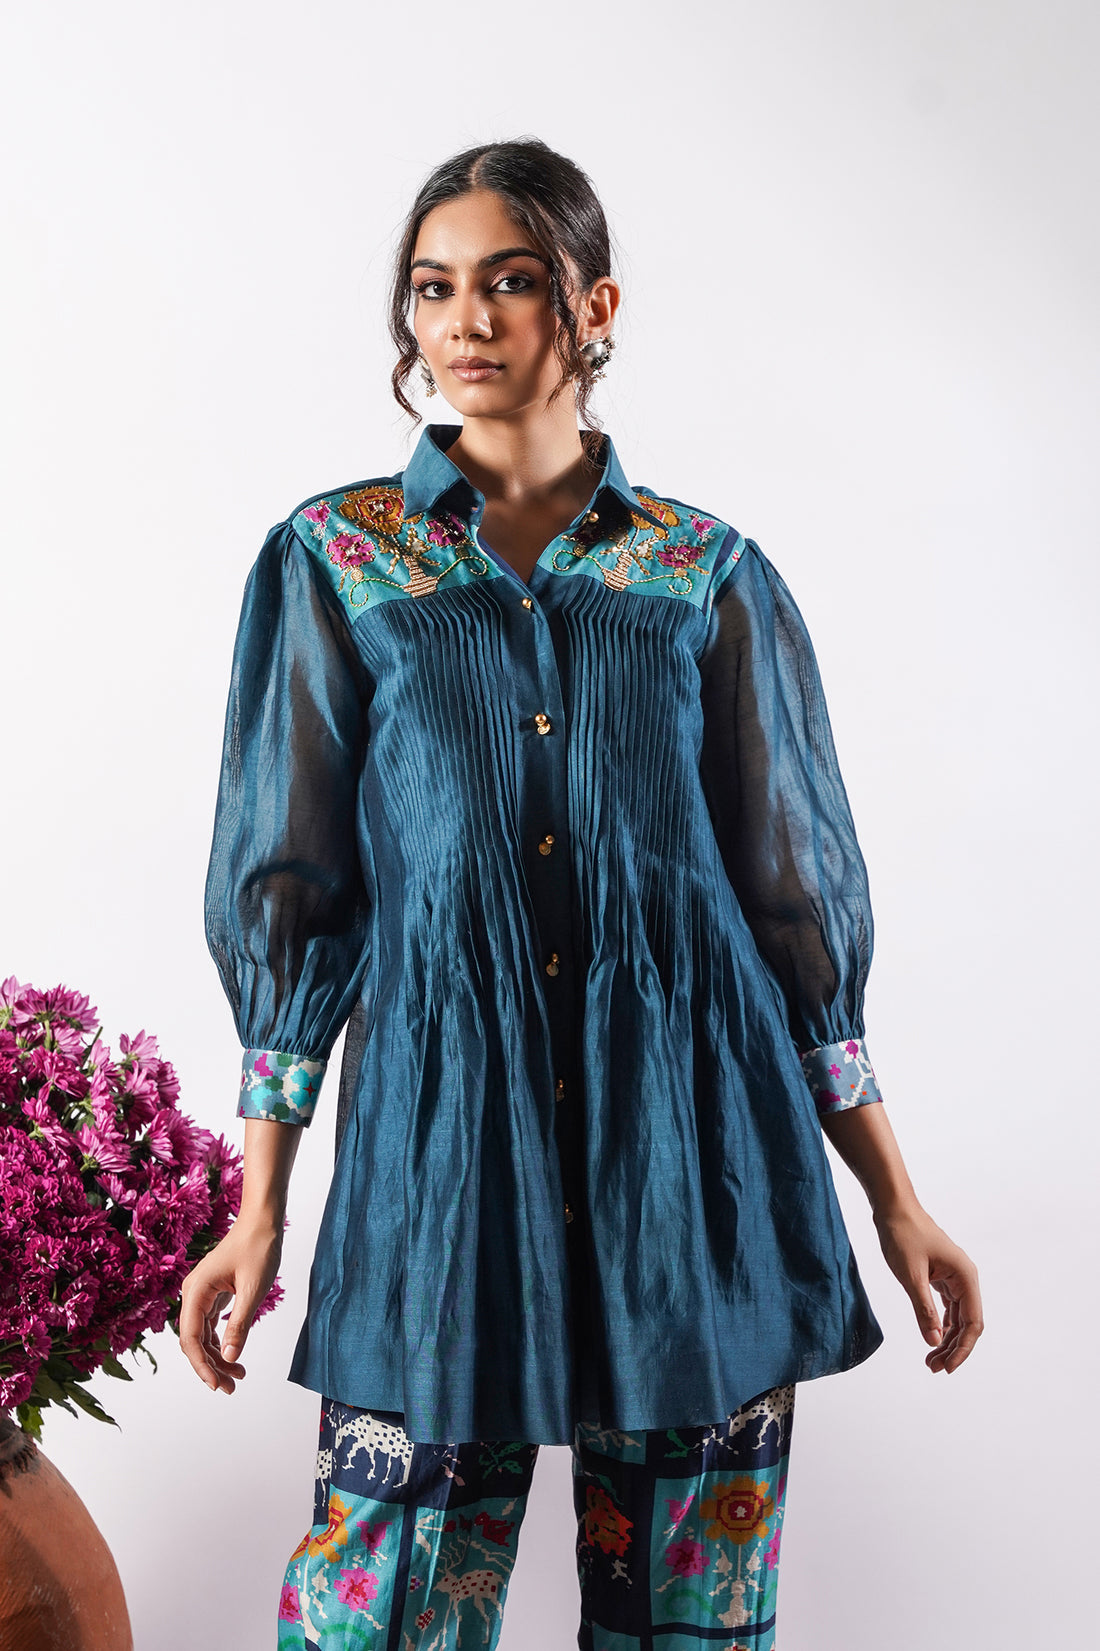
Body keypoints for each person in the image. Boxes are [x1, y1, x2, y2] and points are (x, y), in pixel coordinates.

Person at [180, 138, 983, 1650]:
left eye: (508, 281)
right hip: (440, 1169)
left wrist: (894, 1196)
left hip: (696, 1166)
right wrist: (260, 1205)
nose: (465, 320)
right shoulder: (337, 562)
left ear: (593, 305)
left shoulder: (706, 574)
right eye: (433, 289)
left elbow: (796, 905)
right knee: (378, 1618)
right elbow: (294, 891)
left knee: (690, 1629)